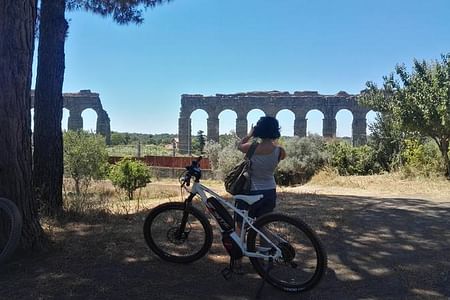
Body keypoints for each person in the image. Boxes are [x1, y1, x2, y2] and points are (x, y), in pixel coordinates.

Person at [233, 116, 286, 272]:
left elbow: (239, 145)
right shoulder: (280, 151)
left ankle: (237, 259)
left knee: (240, 225)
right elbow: (274, 155)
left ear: (259, 130)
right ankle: (264, 257)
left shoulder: (252, 148)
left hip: (251, 192)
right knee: (263, 224)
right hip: (270, 191)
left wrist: (250, 133)